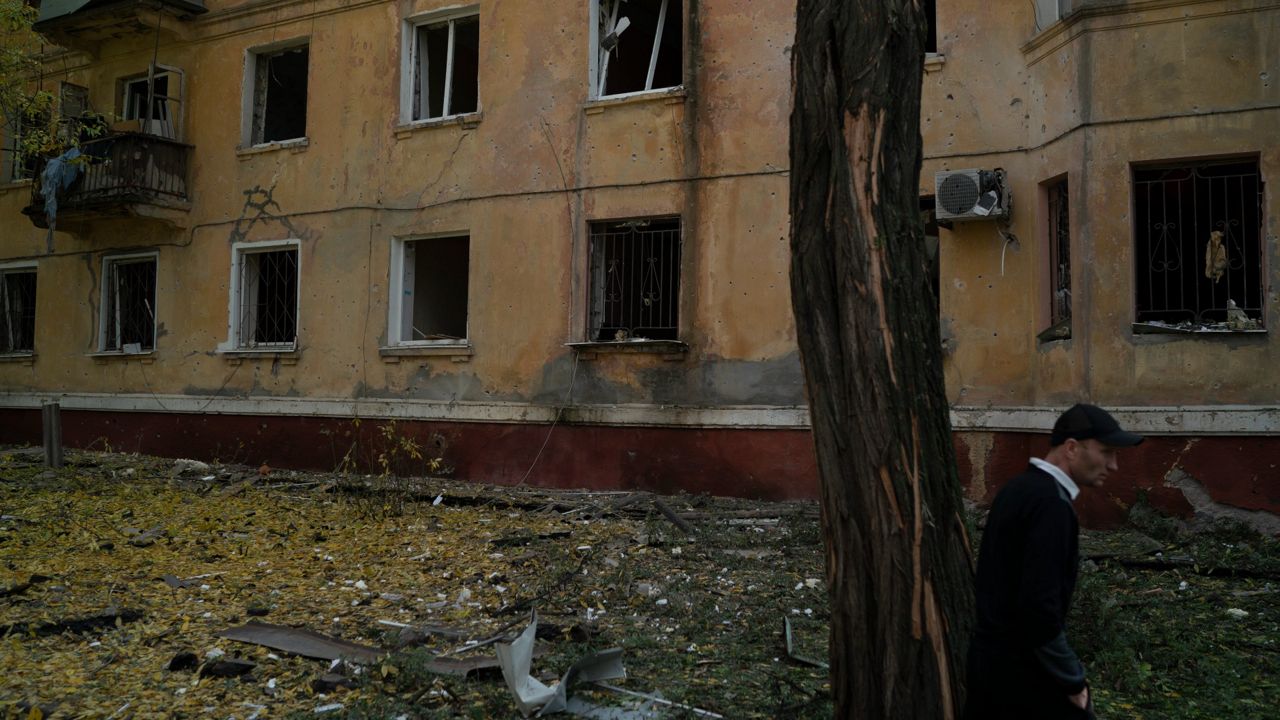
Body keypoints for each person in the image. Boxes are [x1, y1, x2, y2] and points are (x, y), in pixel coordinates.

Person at [963, 403, 1144, 720]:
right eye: (1106, 452)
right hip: (1025, 680)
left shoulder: (1017, 489)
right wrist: (1072, 680)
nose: (1114, 465)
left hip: (990, 667)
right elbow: (1039, 611)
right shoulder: (1051, 506)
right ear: (1071, 448)